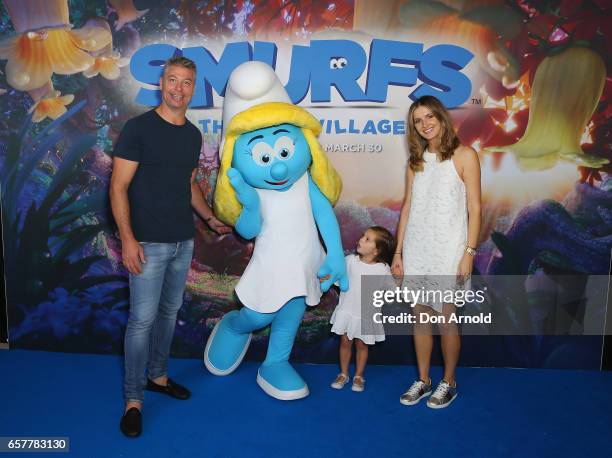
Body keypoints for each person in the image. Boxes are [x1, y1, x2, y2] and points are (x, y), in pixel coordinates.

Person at [110, 56, 230, 437]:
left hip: (183, 241)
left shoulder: (193, 135)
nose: (179, 88)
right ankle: (133, 400)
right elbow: (117, 187)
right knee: (141, 321)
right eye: (173, 80)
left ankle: (158, 377)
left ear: (194, 88)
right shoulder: (138, 128)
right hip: (146, 242)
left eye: (187, 82)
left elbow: (188, 182)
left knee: (168, 314)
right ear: (162, 84)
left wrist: (209, 218)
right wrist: (128, 239)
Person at [392, 95, 481, 409]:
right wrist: (398, 253)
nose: (425, 124)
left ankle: (449, 382)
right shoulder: (415, 162)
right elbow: (406, 209)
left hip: (449, 249)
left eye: (430, 117)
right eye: (418, 120)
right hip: (417, 249)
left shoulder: (465, 155)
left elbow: (474, 207)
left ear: (443, 118)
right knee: (420, 319)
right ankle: (424, 380)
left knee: (446, 320)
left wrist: (469, 251)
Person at [330, 226, 395, 392]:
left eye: (367, 239)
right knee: (345, 343)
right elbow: (338, 279)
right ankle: (343, 374)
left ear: (377, 251)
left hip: (366, 315)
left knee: (362, 345)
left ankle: (359, 375)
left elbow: (392, 291)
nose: (360, 240)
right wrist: (328, 277)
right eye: (362, 236)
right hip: (347, 311)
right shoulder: (350, 261)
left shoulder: (383, 270)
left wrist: (398, 278)